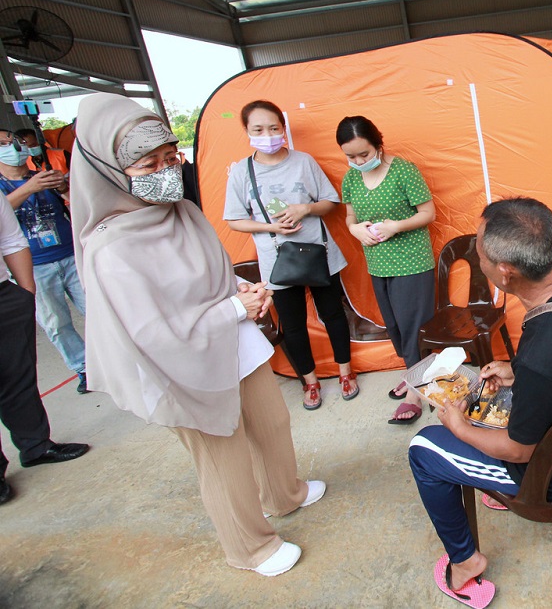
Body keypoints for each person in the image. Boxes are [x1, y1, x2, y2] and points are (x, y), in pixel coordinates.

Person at [72, 93, 325, 576]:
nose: (168, 170)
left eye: (172, 157)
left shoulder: (181, 212)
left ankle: (284, 493)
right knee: (222, 458)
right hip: (180, 366)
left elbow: (207, 270)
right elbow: (152, 334)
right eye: (151, 163)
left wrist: (238, 287)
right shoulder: (111, 248)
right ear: (110, 170)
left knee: (271, 422)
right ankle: (250, 548)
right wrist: (234, 307)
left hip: (230, 341)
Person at [408, 198, 552, 606]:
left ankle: (465, 561)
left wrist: (459, 428)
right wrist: (517, 371)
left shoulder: (543, 352)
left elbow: (519, 449)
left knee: (423, 448)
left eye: (480, 252)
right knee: (489, 397)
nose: (477, 257)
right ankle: (484, 475)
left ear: (505, 272)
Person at [224, 100, 357, 411]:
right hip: (277, 262)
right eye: (258, 129)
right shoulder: (241, 172)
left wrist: (305, 208)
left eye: (273, 128)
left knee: (334, 315)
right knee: (293, 325)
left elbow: (330, 202)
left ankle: (345, 373)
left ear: (282, 129)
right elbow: (233, 219)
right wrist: (269, 226)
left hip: (319, 255)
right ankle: (310, 382)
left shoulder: (303, 161)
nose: (267, 134)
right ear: (247, 132)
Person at [337, 116, 436, 425]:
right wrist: (354, 230)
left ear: (378, 144)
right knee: (393, 326)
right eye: (350, 156)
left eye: (363, 154)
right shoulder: (351, 178)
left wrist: (397, 226)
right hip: (378, 263)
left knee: (413, 328)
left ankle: (415, 392)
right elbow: (350, 216)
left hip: (412, 261)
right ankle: (414, 373)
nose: (357, 161)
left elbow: (428, 213)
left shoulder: (404, 171)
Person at [0, 194, 89, 506]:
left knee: (18, 376)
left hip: (4, 296)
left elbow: (11, 240)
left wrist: (25, 294)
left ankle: (36, 446)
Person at [0, 127, 87, 394]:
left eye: (12, 140)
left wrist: (62, 187)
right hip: (34, 265)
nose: (12, 146)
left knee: (97, 308)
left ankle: (117, 358)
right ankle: (84, 367)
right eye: (3, 142)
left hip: (70, 255)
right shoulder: (6, 187)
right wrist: (29, 188)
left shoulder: (43, 176)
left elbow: (76, 203)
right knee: (56, 322)